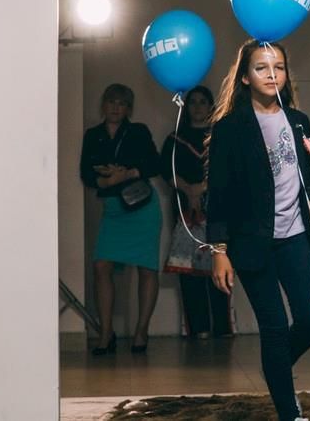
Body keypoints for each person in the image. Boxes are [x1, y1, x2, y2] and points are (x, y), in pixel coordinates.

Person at [206, 41, 310, 421]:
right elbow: (218, 192)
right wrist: (219, 250)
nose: (272, 74)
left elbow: (308, 182)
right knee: (273, 326)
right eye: (261, 68)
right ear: (245, 77)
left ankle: (275, 369)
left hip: (295, 237)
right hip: (251, 242)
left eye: (279, 67)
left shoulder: (299, 120)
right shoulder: (230, 128)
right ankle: (290, 413)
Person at [79, 83, 162, 355]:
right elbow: (86, 173)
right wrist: (105, 180)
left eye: (122, 103)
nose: (116, 108)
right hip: (113, 210)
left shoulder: (138, 131)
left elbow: (155, 164)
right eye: (111, 102)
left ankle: (141, 331)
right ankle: (106, 333)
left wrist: (127, 173)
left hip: (142, 207)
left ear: (129, 109)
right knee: (101, 265)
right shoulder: (93, 135)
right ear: (103, 105)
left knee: (146, 268)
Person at [160, 85, 232, 339]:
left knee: (218, 264)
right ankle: (197, 327)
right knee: (188, 270)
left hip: (216, 207)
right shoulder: (175, 138)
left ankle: (222, 327)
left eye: (203, 102)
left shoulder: (220, 136)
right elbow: (165, 169)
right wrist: (188, 189)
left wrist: (202, 188)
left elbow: (229, 169)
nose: (198, 107)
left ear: (211, 106)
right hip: (184, 210)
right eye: (193, 102)